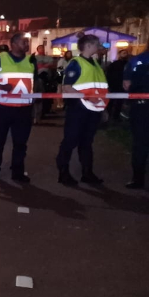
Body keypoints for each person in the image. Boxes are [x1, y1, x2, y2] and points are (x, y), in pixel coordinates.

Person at [0, 31, 36, 182]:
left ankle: (18, 173)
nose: (27, 44)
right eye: (24, 42)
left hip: (24, 110)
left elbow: (33, 83)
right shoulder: (0, 59)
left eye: (27, 42)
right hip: (3, 108)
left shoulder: (31, 61)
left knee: (20, 144)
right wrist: (1, 87)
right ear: (13, 44)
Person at [55, 34, 107, 186]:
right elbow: (67, 87)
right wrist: (88, 98)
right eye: (97, 44)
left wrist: (103, 108)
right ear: (89, 46)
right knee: (70, 141)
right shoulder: (76, 63)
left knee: (87, 142)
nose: (99, 47)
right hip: (78, 109)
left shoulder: (95, 64)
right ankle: (63, 173)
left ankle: (87, 173)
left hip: (93, 109)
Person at [124, 43, 149, 189]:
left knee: (140, 144)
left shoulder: (135, 60)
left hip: (141, 107)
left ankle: (138, 179)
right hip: (142, 107)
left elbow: (126, 84)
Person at [105, 48, 130, 127]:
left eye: (125, 53)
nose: (124, 54)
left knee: (119, 102)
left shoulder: (128, 64)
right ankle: (108, 116)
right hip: (114, 85)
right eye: (123, 53)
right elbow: (109, 74)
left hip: (122, 86)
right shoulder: (114, 64)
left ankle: (116, 116)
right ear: (119, 55)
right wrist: (109, 85)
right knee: (111, 102)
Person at [34, 44, 59, 122]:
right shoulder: (35, 58)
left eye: (43, 48)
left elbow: (52, 65)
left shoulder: (49, 58)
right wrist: (44, 65)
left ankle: (45, 110)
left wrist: (42, 65)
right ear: (37, 50)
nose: (42, 49)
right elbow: (35, 66)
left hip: (48, 79)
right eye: (40, 48)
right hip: (38, 78)